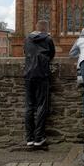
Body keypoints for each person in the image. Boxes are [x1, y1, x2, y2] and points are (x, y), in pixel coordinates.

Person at [24, 20, 55, 148]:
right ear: (46, 29)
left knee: (29, 106)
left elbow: (25, 53)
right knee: (42, 105)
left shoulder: (27, 39)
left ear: (36, 28)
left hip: (28, 74)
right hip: (42, 74)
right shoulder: (48, 39)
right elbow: (52, 54)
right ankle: (39, 137)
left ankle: (29, 138)